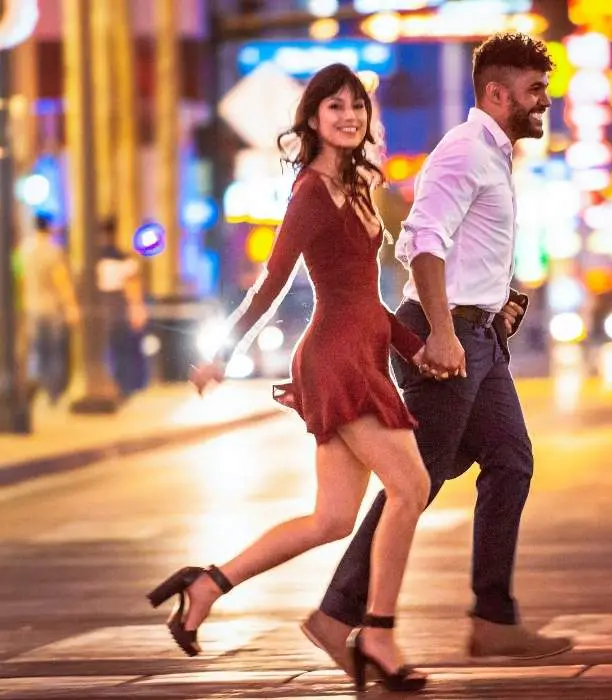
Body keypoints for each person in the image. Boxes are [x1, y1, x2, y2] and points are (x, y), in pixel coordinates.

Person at [146, 64, 431, 693]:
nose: (349, 116)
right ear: (311, 119)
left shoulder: (358, 185)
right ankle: (377, 633)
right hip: (336, 360)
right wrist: (223, 353)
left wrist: (423, 345)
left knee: (331, 519)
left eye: (357, 106)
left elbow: (368, 297)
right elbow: (272, 284)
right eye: (335, 107)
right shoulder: (310, 192)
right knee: (411, 487)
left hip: (360, 351)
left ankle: (206, 584)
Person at [301, 32, 573, 669]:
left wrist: (498, 296)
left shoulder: (494, 154)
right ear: (497, 93)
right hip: (448, 336)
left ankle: (493, 619)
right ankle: (337, 612)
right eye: (534, 92)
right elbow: (423, 241)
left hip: (479, 336)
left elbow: (463, 249)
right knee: (415, 479)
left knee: (509, 460)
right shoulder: (463, 151)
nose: (544, 103)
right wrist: (446, 332)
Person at [18, 215, 79, 406]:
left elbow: (21, 281)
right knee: (53, 352)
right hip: (51, 309)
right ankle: (53, 394)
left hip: (31, 307)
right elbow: (61, 281)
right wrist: (71, 306)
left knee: (36, 351)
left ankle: (34, 389)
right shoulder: (53, 251)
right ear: (49, 228)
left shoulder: (24, 251)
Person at [95, 218, 149, 397]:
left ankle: (117, 385)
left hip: (105, 308)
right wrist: (137, 308)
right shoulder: (124, 259)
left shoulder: (96, 262)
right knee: (122, 350)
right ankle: (123, 386)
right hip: (119, 307)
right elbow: (133, 287)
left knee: (111, 350)